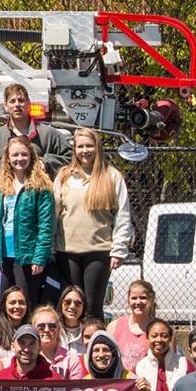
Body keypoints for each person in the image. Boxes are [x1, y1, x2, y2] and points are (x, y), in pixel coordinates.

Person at [52, 128, 132, 320]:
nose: (85, 151)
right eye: (80, 146)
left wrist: (119, 249)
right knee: (70, 304)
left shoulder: (112, 176)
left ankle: (95, 345)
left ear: (98, 148)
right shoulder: (64, 176)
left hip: (99, 251)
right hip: (67, 251)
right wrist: (50, 247)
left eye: (89, 146)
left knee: (91, 305)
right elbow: (54, 213)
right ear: (74, 149)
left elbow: (122, 215)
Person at [0, 136, 55, 305]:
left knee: (25, 302)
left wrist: (39, 257)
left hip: (27, 257)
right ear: (7, 158)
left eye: (24, 154)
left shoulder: (41, 187)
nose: (19, 159)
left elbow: (45, 225)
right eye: (15, 155)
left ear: (31, 156)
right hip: (1, 256)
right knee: (2, 303)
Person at [0, 82, 74, 172]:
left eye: (21, 100)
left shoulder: (49, 135)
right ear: (6, 106)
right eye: (12, 101)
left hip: (40, 186)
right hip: (5, 186)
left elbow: (71, 158)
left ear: (29, 104)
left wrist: (47, 162)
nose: (17, 105)